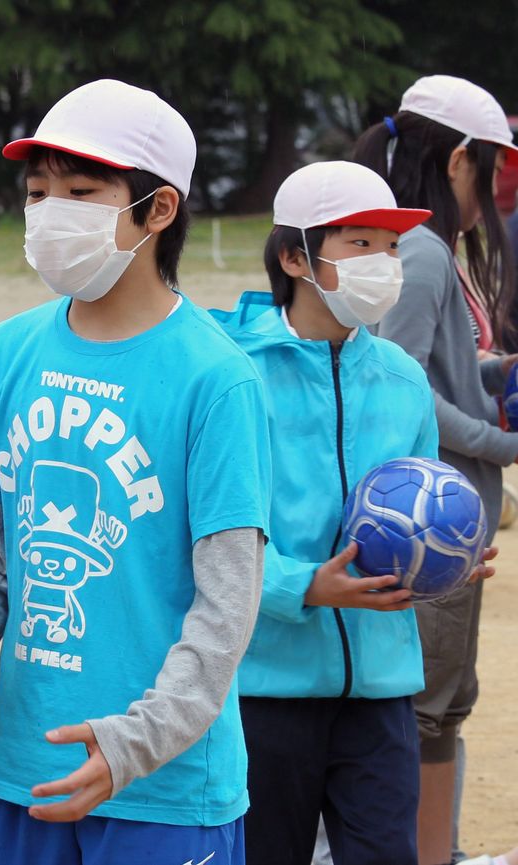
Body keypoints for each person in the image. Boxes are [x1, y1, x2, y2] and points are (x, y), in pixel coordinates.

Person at [0, 78, 271, 865]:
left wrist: (131, 743)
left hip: (166, 786)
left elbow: (227, 607)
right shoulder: (0, 356)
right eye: (37, 191)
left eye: (81, 192)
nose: (50, 213)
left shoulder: (217, 379)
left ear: (158, 211)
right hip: (28, 775)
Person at [211, 160, 495, 865]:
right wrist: (303, 586)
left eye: (392, 247)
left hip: (380, 688)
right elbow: (213, 532)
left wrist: (443, 566)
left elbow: (420, 503)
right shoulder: (233, 372)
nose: (384, 264)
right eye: (360, 244)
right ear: (293, 256)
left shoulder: (401, 376)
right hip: (264, 690)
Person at [353, 74, 518, 865]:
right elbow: (405, 383)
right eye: (494, 168)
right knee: (426, 708)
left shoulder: (424, 250)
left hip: (450, 522)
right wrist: (500, 443)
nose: (496, 190)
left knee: (444, 705)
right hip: (430, 527)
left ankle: (437, 853)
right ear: (459, 160)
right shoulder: (420, 252)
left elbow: (443, 369)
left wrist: (492, 371)